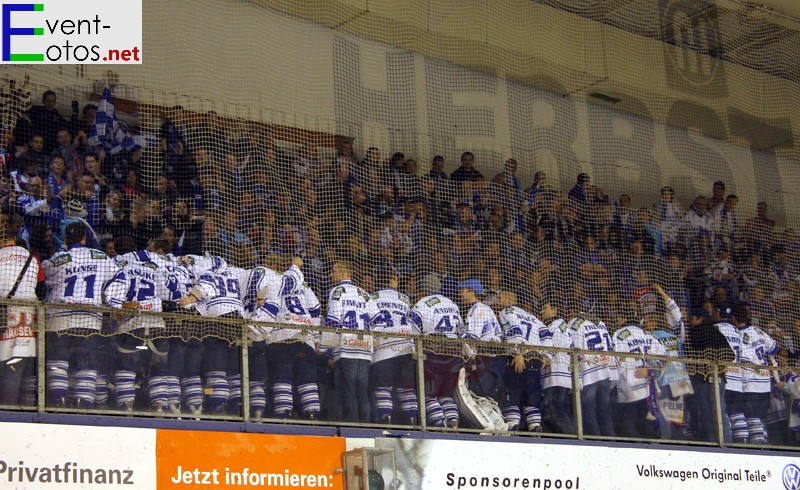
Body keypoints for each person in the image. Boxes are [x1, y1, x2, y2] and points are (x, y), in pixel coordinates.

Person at [42, 221, 120, 408]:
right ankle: (83, 403)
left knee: (58, 361)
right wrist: (113, 305)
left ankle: (58, 400)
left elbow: (45, 276)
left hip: (60, 318)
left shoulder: (57, 259)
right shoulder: (101, 258)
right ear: (85, 238)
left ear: (67, 238)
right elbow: (119, 277)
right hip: (90, 319)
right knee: (86, 362)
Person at [106, 236, 173, 412]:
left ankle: (127, 407)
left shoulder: (121, 267)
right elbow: (171, 295)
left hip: (132, 325)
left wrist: (118, 309)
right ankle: (160, 408)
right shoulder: (157, 270)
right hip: (157, 324)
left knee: (126, 366)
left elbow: (113, 301)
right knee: (159, 366)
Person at [177, 255, 245, 414]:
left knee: (216, 365)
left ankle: (217, 405)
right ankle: (238, 407)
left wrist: (191, 298)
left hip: (217, 317)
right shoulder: (237, 272)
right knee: (234, 369)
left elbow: (207, 285)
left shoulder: (206, 269)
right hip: (238, 319)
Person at [259, 259, 322, 420]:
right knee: (307, 379)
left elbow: (261, 308)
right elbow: (316, 309)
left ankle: (284, 413)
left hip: (280, 338)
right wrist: (314, 336)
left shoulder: (269, 283)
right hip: (303, 336)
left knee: (282, 377)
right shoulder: (303, 285)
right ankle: (312, 413)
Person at [325, 260, 379, 423]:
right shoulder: (364, 294)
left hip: (346, 348)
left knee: (347, 391)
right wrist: (372, 342)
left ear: (342, 271)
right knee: (361, 391)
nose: (331, 275)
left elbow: (333, 321)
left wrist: (325, 347)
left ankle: (353, 427)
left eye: (333, 271)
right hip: (364, 349)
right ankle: (365, 427)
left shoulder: (337, 291)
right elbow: (380, 320)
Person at [0, 208, 43, 406]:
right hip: (24, 325)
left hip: (2, 320)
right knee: (14, 373)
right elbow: (40, 288)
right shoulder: (32, 259)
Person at [408, 275, 464, 428]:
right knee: (446, 395)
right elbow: (462, 330)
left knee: (428, 394)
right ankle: (453, 423)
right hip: (454, 355)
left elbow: (413, 330)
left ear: (423, 289)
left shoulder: (422, 304)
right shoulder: (452, 304)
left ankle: (439, 424)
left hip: (433, 354)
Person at [370, 269, 419, 424]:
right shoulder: (405, 299)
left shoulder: (371, 298)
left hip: (383, 349)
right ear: (392, 280)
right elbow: (415, 323)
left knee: (383, 388)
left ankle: (386, 423)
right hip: (406, 348)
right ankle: (413, 424)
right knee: (407, 390)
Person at [497, 290, 546, 432]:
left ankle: (513, 425)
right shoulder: (531, 316)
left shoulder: (507, 311)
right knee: (532, 393)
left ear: (507, 298)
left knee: (514, 391)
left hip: (519, 357)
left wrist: (518, 353)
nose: (498, 301)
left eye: (500, 298)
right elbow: (546, 333)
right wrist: (546, 354)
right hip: (535, 358)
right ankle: (535, 426)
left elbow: (515, 331)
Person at [568, 306, 616, 437]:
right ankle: (611, 442)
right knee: (605, 412)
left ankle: (595, 444)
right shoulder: (600, 322)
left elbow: (573, 349)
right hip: (605, 371)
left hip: (588, 373)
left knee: (588, 412)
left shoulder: (575, 322)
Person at [736, 301, 779, 444]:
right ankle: (763, 446)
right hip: (765, 383)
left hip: (750, 384)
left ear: (734, 318)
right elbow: (774, 348)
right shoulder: (757, 331)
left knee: (751, 417)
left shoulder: (736, 335)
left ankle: (757, 447)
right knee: (761, 418)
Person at [459, 279, 504, 405]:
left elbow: (472, 337)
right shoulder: (488, 309)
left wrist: (470, 357)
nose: (460, 293)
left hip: (483, 358)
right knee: (492, 397)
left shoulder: (476, 309)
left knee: (480, 396)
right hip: (494, 358)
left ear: (472, 292)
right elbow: (500, 334)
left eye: (463, 290)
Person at [538, 298, 575, 434]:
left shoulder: (555, 325)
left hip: (556, 374)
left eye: (545, 308)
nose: (542, 311)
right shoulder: (563, 326)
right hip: (565, 374)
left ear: (555, 310)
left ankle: (570, 440)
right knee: (563, 408)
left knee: (556, 409)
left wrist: (546, 358)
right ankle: (573, 437)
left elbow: (554, 345)